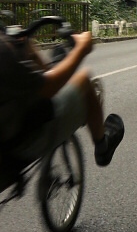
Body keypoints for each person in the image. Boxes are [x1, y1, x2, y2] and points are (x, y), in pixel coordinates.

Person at [0, 29, 124, 168]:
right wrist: (82, 49)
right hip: (20, 140)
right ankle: (102, 146)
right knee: (83, 80)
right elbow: (48, 87)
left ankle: (51, 69)